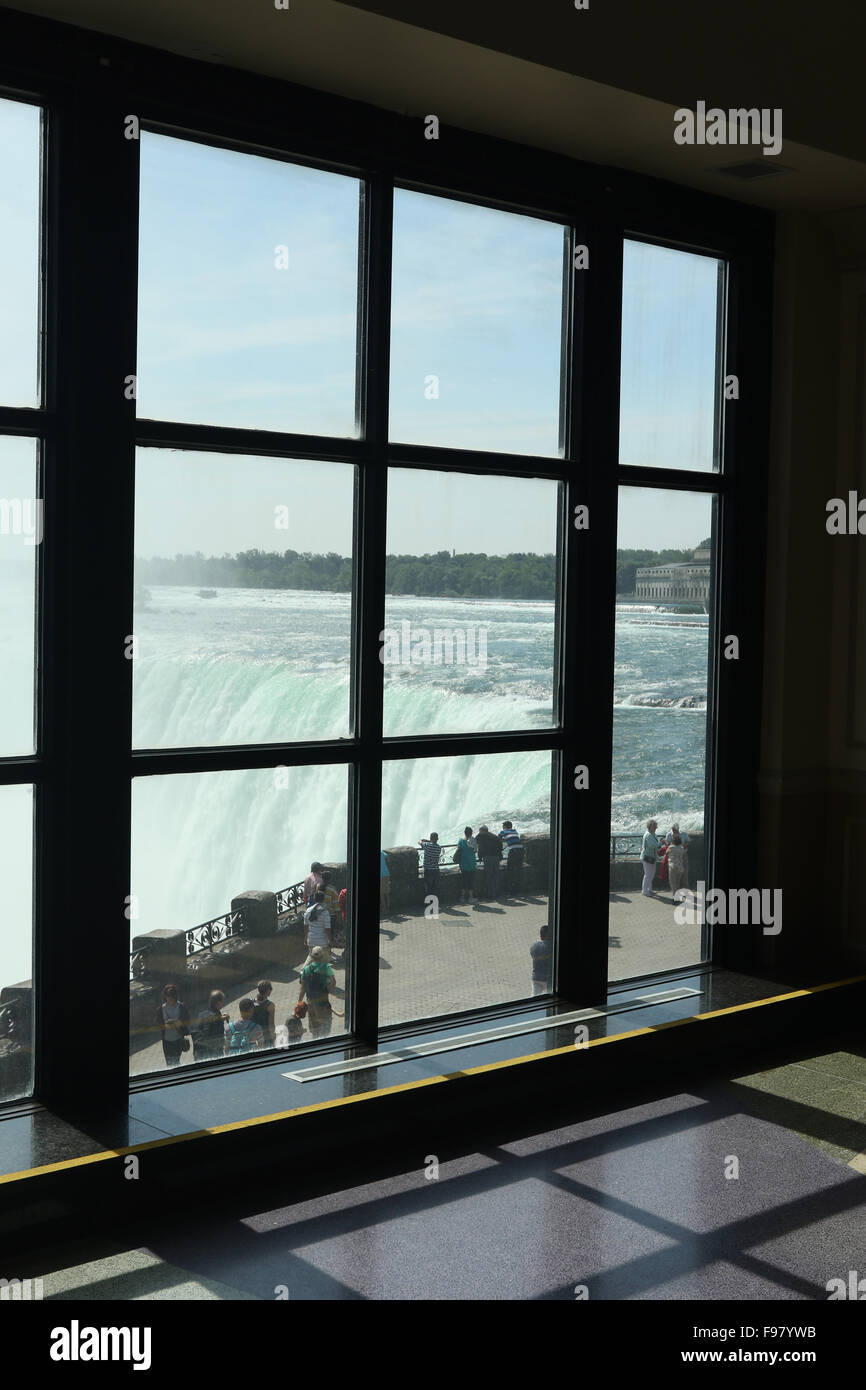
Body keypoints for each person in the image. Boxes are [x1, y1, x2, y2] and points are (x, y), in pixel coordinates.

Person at [297, 946, 337, 1039]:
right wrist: (329, 989)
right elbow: (333, 982)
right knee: (325, 1028)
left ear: (312, 957)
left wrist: (299, 1002)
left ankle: (315, 1042)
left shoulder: (306, 969)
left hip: (311, 1002)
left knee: (314, 1028)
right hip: (323, 1002)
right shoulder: (326, 967)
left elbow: (302, 988)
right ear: (322, 956)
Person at [155, 983, 190, 1069]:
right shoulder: (161, 1009)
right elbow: (158, 1023)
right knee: (169, 1064)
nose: (170, 999)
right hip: (167, 1041)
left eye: (172, 997)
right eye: (168, 997)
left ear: (175, 996)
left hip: (178, 1039)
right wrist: (165, 1025)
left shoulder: (181, 1006)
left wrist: (180, 1022)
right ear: (165, 996)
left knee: (176, 1061)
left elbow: (187, 1020)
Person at [191, 989, 227, 1062]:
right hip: (210, 1055)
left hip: (199, 1053)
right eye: (222, 1001)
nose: (223, 1003)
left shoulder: (202, 1014)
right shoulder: (215, 1017)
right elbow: (209, 1033)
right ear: (218, 1003)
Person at [304, 889, 333, 964]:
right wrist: (330, 941)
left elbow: (306, 927)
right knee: (323, 964)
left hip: (311, 940)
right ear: (323, 899)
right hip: (322, 942)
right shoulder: (325, 912)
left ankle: (304, 972)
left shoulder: (308, 911)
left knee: (312, 960)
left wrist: (305, 938)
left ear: (314, 899)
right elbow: (327, 929)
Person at [475, 824, 503, 900]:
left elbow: (479, 846)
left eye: (479, 831)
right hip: (496, 857)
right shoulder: (495, 836)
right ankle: (497, 892)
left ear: (482, 831)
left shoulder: (481, 836)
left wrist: (480, 857)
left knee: (489, 875)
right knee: (496, 875)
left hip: (487, 857)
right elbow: (501, 846)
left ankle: (490, 894)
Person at [499, 821, 524, 893]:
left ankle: (511, 890)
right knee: (518, 870)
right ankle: (519, 889)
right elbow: (511, 838)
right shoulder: (514, 831)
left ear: (505, 827)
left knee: (510, 870)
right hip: (521, 850)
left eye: (503, 826)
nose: (502, 827)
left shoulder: (504, 832)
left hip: (514, 851)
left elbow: (498, 838)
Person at [456, 826, 477, 905]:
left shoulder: (461, 840)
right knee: (471, 881)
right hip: (471, 863)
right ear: (471, 833)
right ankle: (471, 898)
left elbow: (458, 849)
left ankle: (462, 897)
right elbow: (475, 850)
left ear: (464, 833)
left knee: (464, 880)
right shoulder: (473, 840)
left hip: (463, 863)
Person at [251, 980, 276, 1047]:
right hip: (265, 1036)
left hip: (254, 1036)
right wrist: (273, 1036)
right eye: (270, 988)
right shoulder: (270, 1005)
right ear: (267, 991)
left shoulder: (251, 1002)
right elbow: (271, 1024)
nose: (271, 990)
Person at [640, 819, 661, 896]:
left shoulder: (653, 834)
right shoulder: (648, 835)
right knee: (648, 874)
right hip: (647, 857)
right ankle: (644, 891)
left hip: (651, 856)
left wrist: (659, 845)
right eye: (655, 826)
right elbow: (652, 845)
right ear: (650, 827)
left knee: (651, 874)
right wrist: (661, 843)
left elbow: (656, 845)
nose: (656, 827)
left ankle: (649, 889)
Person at [529, 924, 551, 996]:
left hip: (536, 977)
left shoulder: (534, 945)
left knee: (533, 999)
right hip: (548, 979)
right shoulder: (551, 946)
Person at [419, 832, 442, 896]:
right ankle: (434, 902)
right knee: (434, 888)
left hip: (428, 870)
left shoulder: (427, 845)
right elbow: (434, 843)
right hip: (436, 870)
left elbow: (419, 842)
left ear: (430, 838)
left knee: (428, 887)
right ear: (437, 839)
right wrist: (431, 841)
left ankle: (428, 903)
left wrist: (425, 840)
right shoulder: (439, 848)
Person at [666, 833, 688, 900]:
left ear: (672, 841)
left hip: (672, 867)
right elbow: (684, 856)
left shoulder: (670, 847)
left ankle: (675, 897)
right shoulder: (682, 848)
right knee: (678, 883)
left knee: (673, 883)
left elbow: (666, 853)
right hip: (680, 867)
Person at [380, 850, 391, 915]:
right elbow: (387, 857)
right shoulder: (381, 852)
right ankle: (389, 908)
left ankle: (385, 910)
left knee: (381, 894)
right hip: (387, 873)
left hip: (381, 875)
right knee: (386, 892)